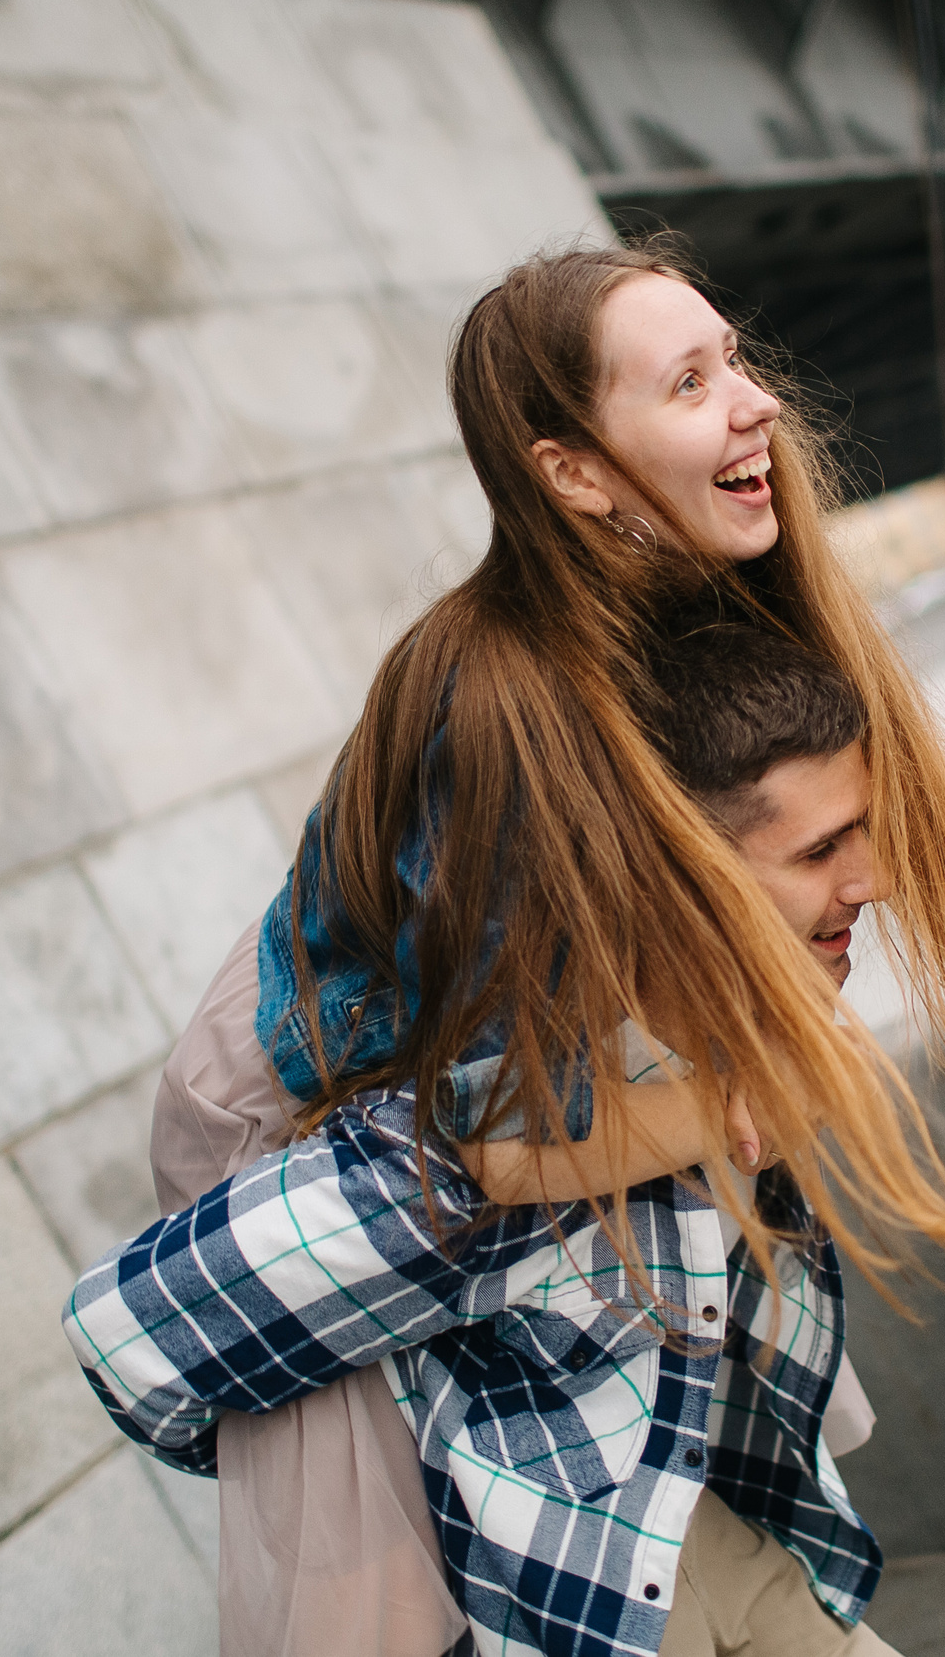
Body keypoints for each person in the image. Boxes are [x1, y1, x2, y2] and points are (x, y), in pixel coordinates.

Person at [68, 241, 945, 1657]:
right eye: (692, 379)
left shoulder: (685, 608)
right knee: (385, 1602)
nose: (758, 401)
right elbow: (481, 1136)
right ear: (578, 473)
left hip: (485, 1102)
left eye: (737, 358)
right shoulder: (501, 711)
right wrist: (720, 1101)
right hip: (297, 1122)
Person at [146, 623, 885, 1657]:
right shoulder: (421, 1138)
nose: (874, 879)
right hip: (571, 1593)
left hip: (705, 1530)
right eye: (821, 850)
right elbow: (146, 1340)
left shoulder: (701, 1004)